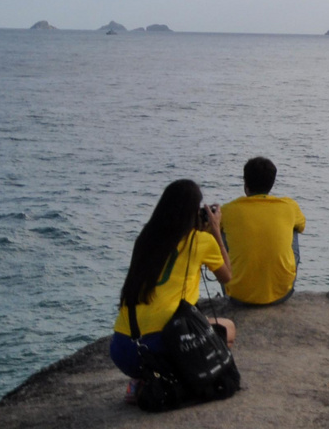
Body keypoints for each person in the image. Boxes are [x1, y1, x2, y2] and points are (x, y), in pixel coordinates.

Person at [111, 180, 236, 384]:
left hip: (122, 350)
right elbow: (227, 276)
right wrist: (215, 231)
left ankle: (141, 382)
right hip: (161, 348)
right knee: (228, 328)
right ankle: (180, 378)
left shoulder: (146, 237)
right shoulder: (200, 241)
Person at [219, 156, 307, 306]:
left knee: (218, 229)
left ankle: (230, 283)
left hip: (238, 296)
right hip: (282, 294)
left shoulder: (227, 210)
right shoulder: (289, 206)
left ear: (245, 184)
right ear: (272, 183)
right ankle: (280, 281)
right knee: (294, 227)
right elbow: (302, 225)